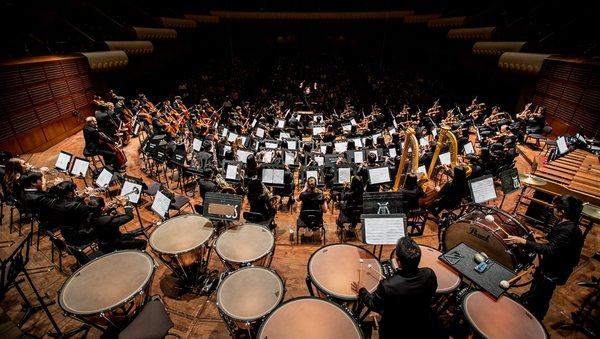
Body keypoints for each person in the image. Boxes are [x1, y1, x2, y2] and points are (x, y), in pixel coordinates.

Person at [506, 195, 584, 320]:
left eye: (555, 208)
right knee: (536, 293)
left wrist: (523, 241)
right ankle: (528, 310)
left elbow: (549, 250)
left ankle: (533, 321)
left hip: (554, 271)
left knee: (540, 298)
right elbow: (557, 243)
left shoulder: (567, 230)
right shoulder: (568, 223)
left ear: (562, 212)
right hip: (552, 265)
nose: (552, 209)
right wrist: (542, 238)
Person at [352, 236, 438, 338]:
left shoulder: (388, 285)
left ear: (398, 262)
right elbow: (432, 294)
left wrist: (361, 290)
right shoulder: (429, 274)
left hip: (393, 329)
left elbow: (373, 305)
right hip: (422, 323)